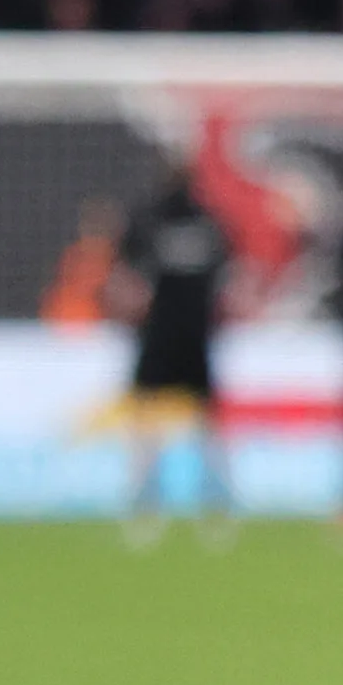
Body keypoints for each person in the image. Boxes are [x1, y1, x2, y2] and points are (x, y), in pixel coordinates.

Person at [106, 165, 232, 541]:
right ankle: (157, 507)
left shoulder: (188, 222)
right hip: (171, 335)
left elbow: (124, 276)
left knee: (193, 425)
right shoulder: (190, 221)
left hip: (175, 336)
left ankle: (208, 508)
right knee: (163, 423)